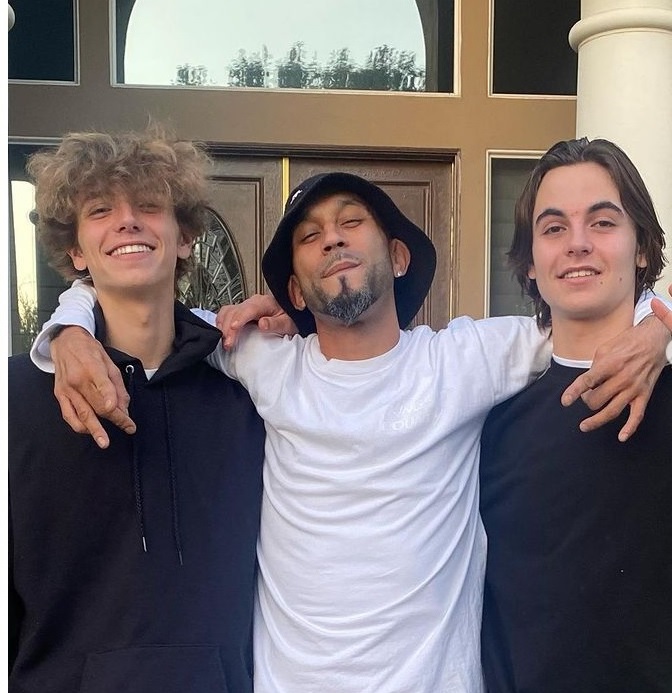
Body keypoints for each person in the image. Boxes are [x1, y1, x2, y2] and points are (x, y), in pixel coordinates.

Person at [30, 170, 670, 692]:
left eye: (351, 222)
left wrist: (657, 326)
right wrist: (71, 326)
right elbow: (141, 310)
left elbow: (590, 311)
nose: (332, 238)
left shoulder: (465, 360)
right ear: (294, 291)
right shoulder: (260, 359)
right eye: (310, 236)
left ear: (398, 256)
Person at [8, 129, 265, 693]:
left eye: (148, 206)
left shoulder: (251, 389)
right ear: (76, 251)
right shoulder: (17, 399)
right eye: (100, 210)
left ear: (185, 238)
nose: (127, 222)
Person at [478, 138, 672, 692]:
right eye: (554, 228)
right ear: (530, 262)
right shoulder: (488, 422)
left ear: (642, 248)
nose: (577, 243)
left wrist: (662, 325)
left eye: (603, 223)